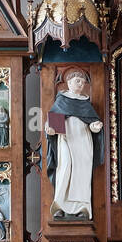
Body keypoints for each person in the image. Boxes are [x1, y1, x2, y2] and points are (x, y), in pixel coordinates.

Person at [45, 69, 105, 219]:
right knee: (64, 168)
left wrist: (95, 126)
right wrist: (50, 129)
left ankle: (82, 208)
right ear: (69, 82)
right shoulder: (61, 100)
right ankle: (60, 206)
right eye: (78, 81)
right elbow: (53, 125)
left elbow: (91, 123)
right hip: (66, 138)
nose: (81, 84)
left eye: (83, 82)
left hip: (83, 140)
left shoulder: (85, 103)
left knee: (81, 174)